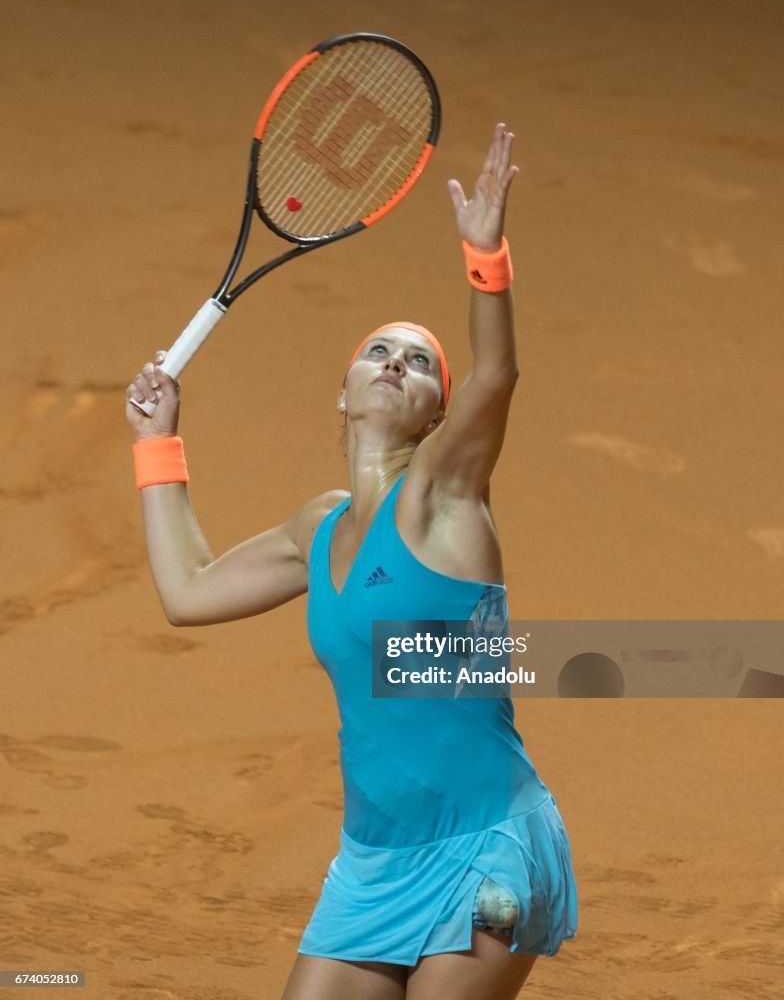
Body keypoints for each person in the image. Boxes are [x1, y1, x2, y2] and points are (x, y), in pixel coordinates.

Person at [126, 122, 578, 1000]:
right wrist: (159, 444)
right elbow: (187, 592)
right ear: (342, 391)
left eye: (419, 363)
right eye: (379, 349)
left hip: (488, 844)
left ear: (435, 411)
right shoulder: (318, 528)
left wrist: (486, 259)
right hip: (372, 864)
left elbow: (497, 375)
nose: (395, 364)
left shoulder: (444, 498)